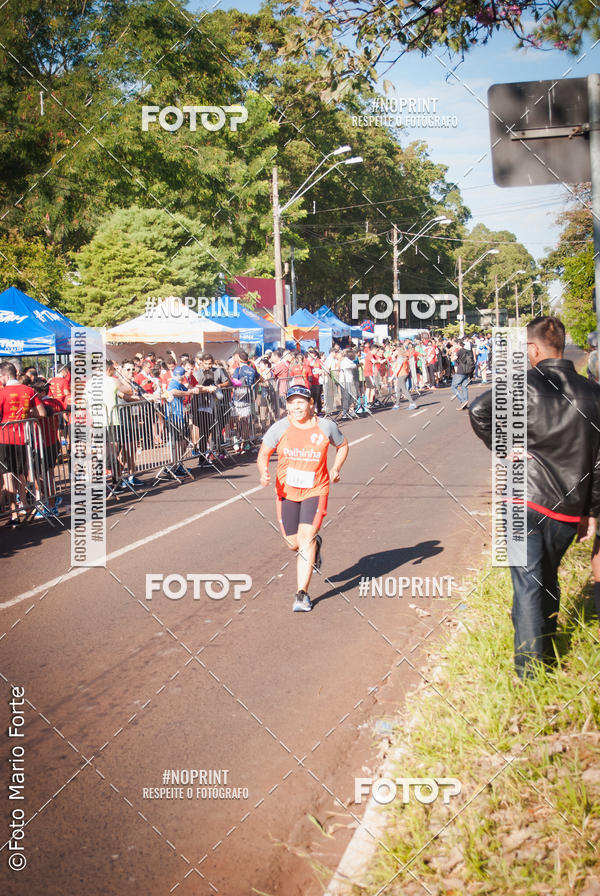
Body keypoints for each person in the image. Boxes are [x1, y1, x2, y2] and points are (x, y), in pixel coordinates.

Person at [469, 316, 600, 679]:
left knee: (528, 585)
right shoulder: (593, 393)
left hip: (518, 501)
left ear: (533, 348)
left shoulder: (519, 384)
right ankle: (546, 646)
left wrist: (502, 445)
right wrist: (591, 511)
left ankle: (530, 676)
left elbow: (479, 411)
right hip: (567, 507)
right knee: (546, 576)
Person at [257, 384, 349, 612]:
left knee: (305, 539)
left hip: (315, 490)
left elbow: (343, 445)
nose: (296, 407)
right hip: (286, 492)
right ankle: (315, 545)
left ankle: (301, 594)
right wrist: (263, 471)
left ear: (310, 403)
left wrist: (336, 468)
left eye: (300, 402)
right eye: (291, 402)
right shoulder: (279, 428)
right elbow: (263, 454)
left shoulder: (326, 426)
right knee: (293, 544)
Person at [0, 361, 46, 525]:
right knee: (20, 474)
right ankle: (25, 505)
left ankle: (14, 515)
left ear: (5, 375)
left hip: (5, 438)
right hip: (23, 437)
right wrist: (27, 414)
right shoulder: (29, 390)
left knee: (8, 477)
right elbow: (41, 412)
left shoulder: (2, 392)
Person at [452, 340, 475, 409]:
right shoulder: (467, 351)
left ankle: (462, 401)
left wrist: (453, 354)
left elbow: (453, 359)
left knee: (453, 387)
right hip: (467, 371)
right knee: (464, 387)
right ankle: (465, 401)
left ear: (459, 344)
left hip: (460, 371)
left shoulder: (459, 351)